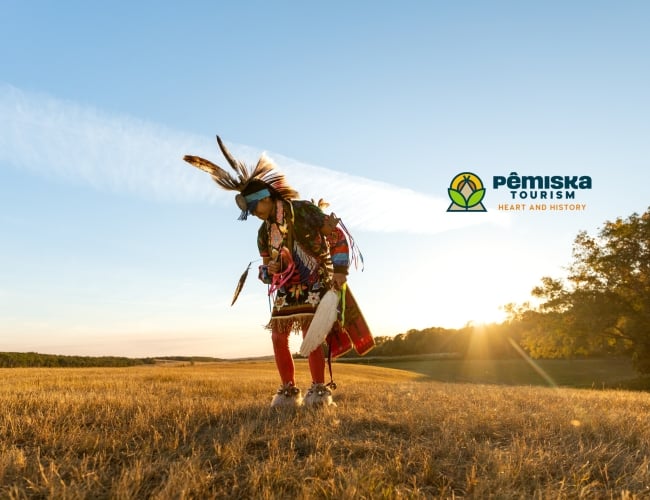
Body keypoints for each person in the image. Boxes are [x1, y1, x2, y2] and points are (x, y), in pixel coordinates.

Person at [184, 136, 356, 407]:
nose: (253, 214)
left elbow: (335, 235)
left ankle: (318, 390)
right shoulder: (264, 233)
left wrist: (340, 271)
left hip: (313, 281)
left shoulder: (302, 211)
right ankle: (288, 391)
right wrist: (269, 270)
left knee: (311, 335)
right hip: (287, 289)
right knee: (278, 336)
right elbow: (266, 272)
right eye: (249, 210)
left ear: (266, 198)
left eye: (254, 208)